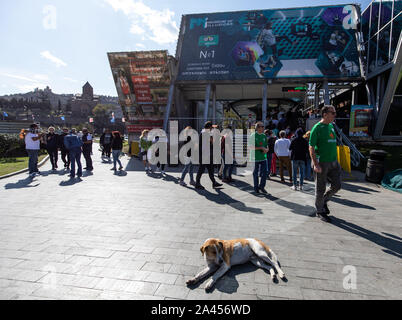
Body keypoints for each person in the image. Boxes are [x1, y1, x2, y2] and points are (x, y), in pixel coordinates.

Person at [309, 105, 341, 222]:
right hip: (322, 162)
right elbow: (311, 147)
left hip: (334, 161)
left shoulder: (331, 126)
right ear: (325, 114)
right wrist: (315, 163)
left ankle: (324, 201)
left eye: (334, 112)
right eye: (332, 113)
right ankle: (320, 211)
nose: (334, 115)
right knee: (320, 188)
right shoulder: (317, 128)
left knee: (337, 186)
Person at [195, 121, 223, 190]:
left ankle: (214, 182)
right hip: (204, 156)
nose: (212, 129)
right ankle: (197, 183)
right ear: (209, 127)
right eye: (212, 127)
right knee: (201, 170)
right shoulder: (205, 133)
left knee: (211, 170)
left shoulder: (206, 132)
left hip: (208, 155)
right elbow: (210, 142)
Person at [250, 122, 268, 193]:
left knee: (265, 173)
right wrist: (261, 147)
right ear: (257, 128)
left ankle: (262, 187)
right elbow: (250, 147)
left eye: (263, 126)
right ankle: (256, 187)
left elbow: (266, 145)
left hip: (263, 157)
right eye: (262, 126)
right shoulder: (253, 135)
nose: (263, 128)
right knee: (256, 173)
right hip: (255, 158)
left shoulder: (264, 135)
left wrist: (266, 149)